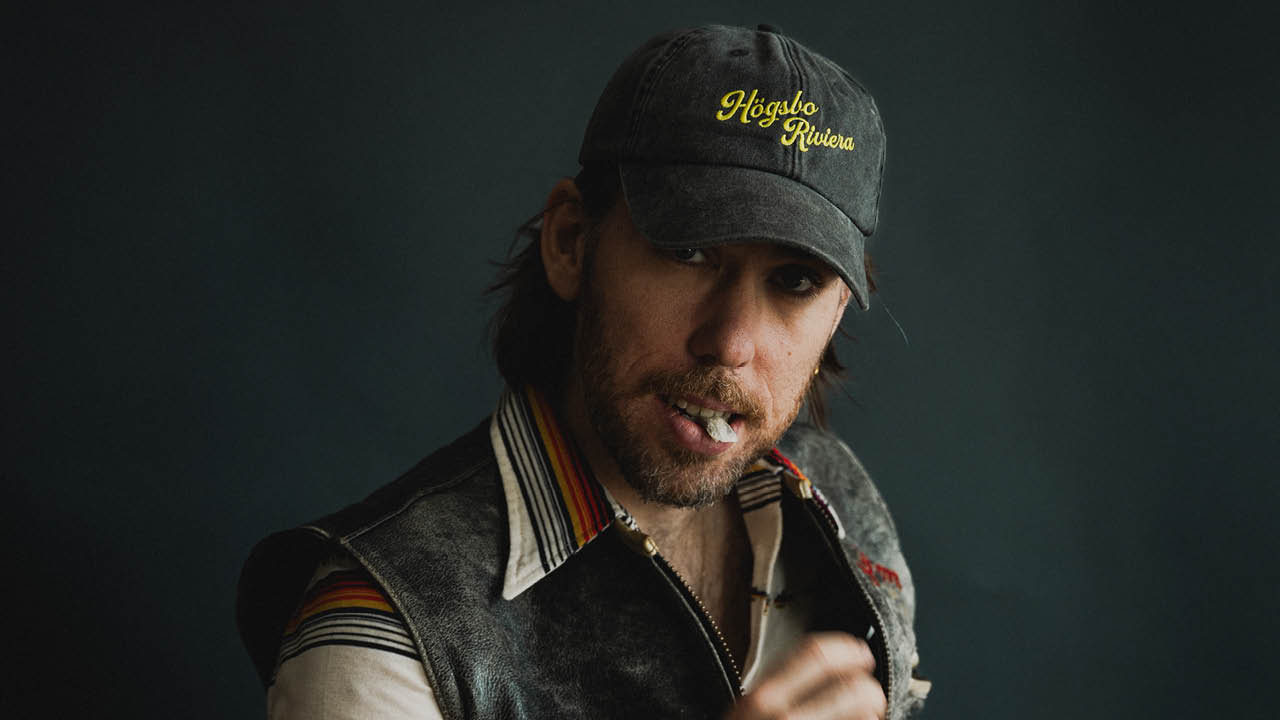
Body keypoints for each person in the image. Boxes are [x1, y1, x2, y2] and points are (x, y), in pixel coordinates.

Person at [237, 24, 930, 720]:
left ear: (837, 311)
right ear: (571, 242)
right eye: (688, 252)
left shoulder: (836, 505)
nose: (730, 344)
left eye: (795, 280)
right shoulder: (385, 627)